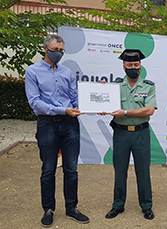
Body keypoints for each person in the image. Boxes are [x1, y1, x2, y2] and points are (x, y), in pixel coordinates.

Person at [25, 34, 90, 227]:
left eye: (61, 50)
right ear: (45, 48)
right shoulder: (32, 71)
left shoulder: (67, 72)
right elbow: (35, 103)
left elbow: (73, 95)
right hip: (47, 125)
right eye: (55, 50)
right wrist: (64, 110)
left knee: (72, 170)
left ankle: (72, 209)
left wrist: (89, 102)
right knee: (48, 169)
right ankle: (48, 209)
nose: (58, 54)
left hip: (70, 124)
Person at [103, 49, 157, 220]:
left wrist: (125, 113)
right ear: (124, 67)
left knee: (143, 171)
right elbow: (105, 103)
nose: (133, 67)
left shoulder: (148, 86)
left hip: (141, 134)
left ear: (140, 66)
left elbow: (149, 110)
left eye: (136, 64)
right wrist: (98, 97)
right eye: (129, 65)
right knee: (120, 171)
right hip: (121, 134)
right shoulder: (115, 87)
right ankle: (118, 205)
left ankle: (146, 206)